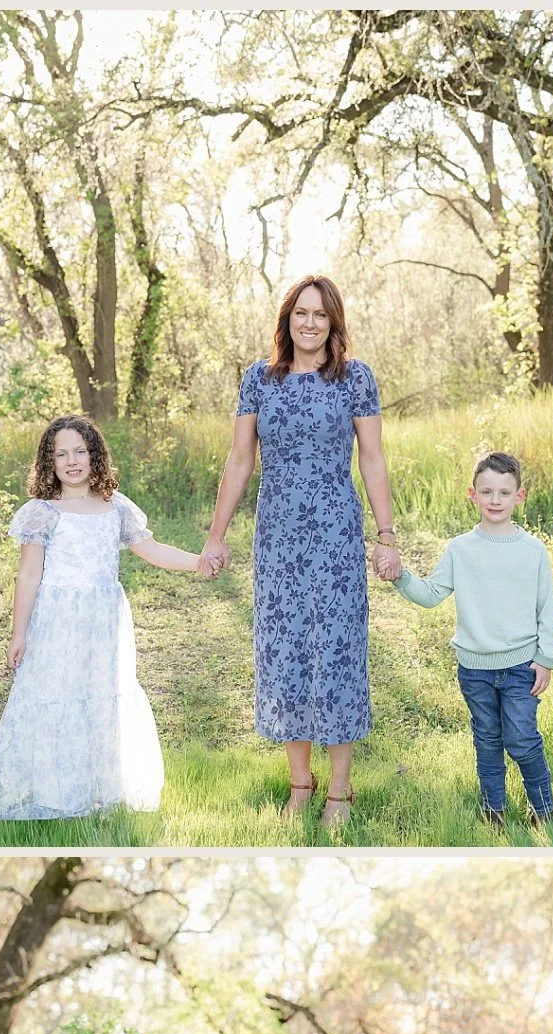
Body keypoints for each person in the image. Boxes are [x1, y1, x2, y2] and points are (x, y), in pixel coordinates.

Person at [200, 276, 401, 828]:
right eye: (300, 314)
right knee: (285, 652)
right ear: (287, 321)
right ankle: (299, 783)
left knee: (335, 652)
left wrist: (386, 537)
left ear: (334, 323)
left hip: (335, 537)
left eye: (321, 315)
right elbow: (240, 460)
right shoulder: (259, 381)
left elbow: (373, 459)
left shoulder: (354, 379)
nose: (310, 323)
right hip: (278, 540)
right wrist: (216, 536)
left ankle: (339, 789)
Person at [0, 416, 203, 824]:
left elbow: (154, 550)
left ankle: (102, 788)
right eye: (61, 454)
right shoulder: (43, 512)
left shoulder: (115, 507)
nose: (72, 461)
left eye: (80, 451)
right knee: (58, 696)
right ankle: (59, 793)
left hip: (103, 620)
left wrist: (198, 563)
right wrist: (18, 633)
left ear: (95, 455)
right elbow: (28, 574)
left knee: (101, 698)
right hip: (57, 620)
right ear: (50, 463)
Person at [388, 453, 553, 834]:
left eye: (504, 492)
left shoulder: (532, 550)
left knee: (522, 738)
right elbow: (432, 594)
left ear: (520, 496)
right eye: (487, 491)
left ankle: (544, 809)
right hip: (475, 669)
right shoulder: (460, 549)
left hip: (520, 666)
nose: (495, 500)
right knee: (487, 740)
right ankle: (493, 812)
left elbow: (547, 607)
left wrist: (545, 658)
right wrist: (401, 577)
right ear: (473, 495)